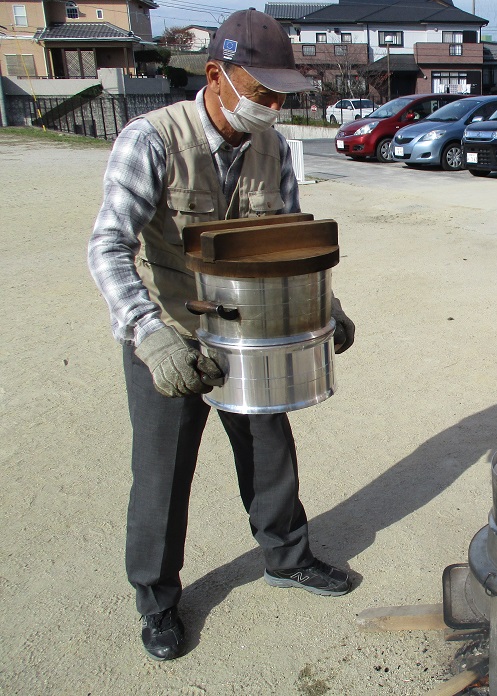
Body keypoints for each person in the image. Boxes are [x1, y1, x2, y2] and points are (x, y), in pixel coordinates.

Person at [88, 9, 356, 662]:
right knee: (162, 474)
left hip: (250, 333)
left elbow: (289, 242)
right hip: (171, 332)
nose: (273, 107)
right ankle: (156, 600)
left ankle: (287, 557)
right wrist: (150, 337)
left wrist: (325, 306)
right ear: (216, 75)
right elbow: (108, 247)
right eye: (263, 92)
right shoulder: (151, 140)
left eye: (281, 95)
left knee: (269, 450)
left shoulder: (274, 148)